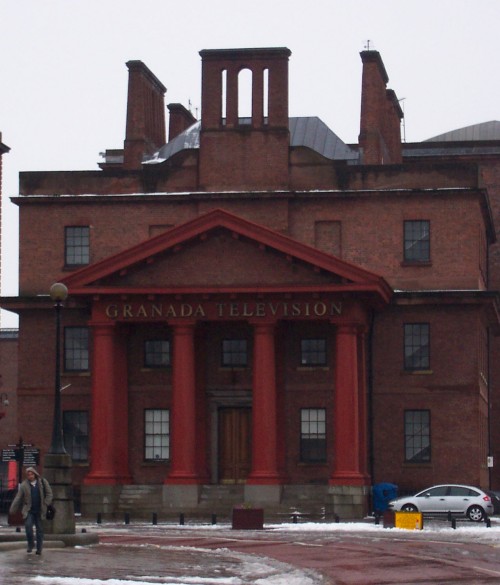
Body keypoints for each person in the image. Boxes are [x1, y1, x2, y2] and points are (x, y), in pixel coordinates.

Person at [9, 466, 53, 555]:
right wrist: (12, 509)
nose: (30, 476)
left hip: (40, 510)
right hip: (29, 510)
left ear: (35, 474)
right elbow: (18, 497)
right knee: (28, 527)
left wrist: (46, 503)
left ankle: (39, 548)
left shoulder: (42, 482)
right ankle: (31, 544)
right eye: (28, 475)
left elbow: (49, 493)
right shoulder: (24, 485)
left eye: (31, 474)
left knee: (39, 529)